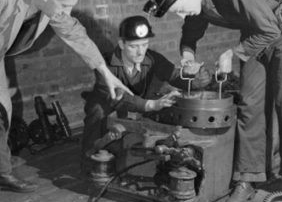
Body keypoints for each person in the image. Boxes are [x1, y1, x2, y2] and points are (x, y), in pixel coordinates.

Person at [144, 0, 282, 202]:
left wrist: (232, 54)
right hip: (256, 33)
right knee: (249, 104)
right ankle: (248, 177)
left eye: (180, 8)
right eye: (176, 12)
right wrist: (187, 57)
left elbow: (270, 29)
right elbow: (190, 33)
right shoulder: (196, 1)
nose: (182, 15)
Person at [0, 0, 132, 193]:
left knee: (2, 111)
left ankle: (1, 172)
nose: (67, 12)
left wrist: (107, 74)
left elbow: (75, 34)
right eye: (65, 6)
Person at [81, 15, 210, 162]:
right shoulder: (104, 64)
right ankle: (88, 160)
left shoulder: (152, 58)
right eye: (134, 46)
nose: (140, 52)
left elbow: (174, 75)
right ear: (122, 44)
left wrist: (197, 79)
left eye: (144, 44)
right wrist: (151, 105)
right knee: (97, 111)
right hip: (110, 104)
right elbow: (119, 97)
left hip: (139, 106)